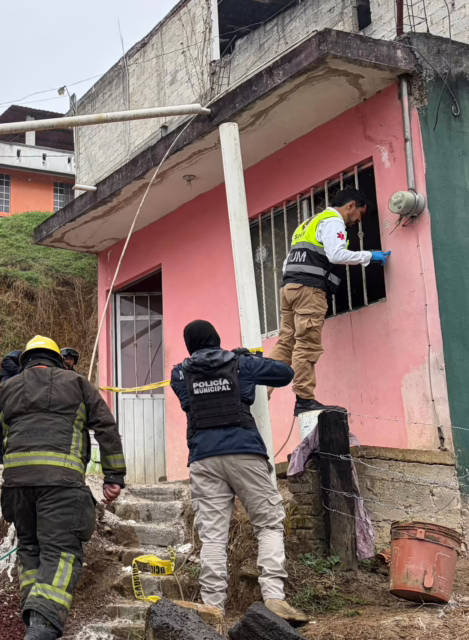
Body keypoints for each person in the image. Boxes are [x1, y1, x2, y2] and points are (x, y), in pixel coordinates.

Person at [0, 336, 127, 640]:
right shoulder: (77, 383)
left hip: (17, 488)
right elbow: (106, 427)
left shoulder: (6, 388)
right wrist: (114, 476)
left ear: (26, 361)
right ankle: (42, 628)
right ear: (57, 360)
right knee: (61, 554)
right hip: (62, 486)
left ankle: (35, 620)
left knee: (30, 549)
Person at [169, 320, 309, 624]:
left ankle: (213, 608)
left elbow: (187, 400)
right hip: (245, 451)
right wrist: (248, 359)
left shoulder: (179, 373)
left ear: (189, 345)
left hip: (204, 458)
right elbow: (285, 374)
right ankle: (273, 598)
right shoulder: (241, 364)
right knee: (269, 524)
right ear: (217, 339)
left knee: (213, 537)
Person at [270, 188, 388, 415]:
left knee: (286, 343)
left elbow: (287, 263)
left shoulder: (308, 223)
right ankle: (304, 399)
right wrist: (369, 256)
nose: (358, 221)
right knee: (307, 344)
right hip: (308, 291)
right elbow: (336, 255)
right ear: (351, 205)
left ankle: (259, 392)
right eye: (360, 215)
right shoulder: (334, 221)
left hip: (289, 288)